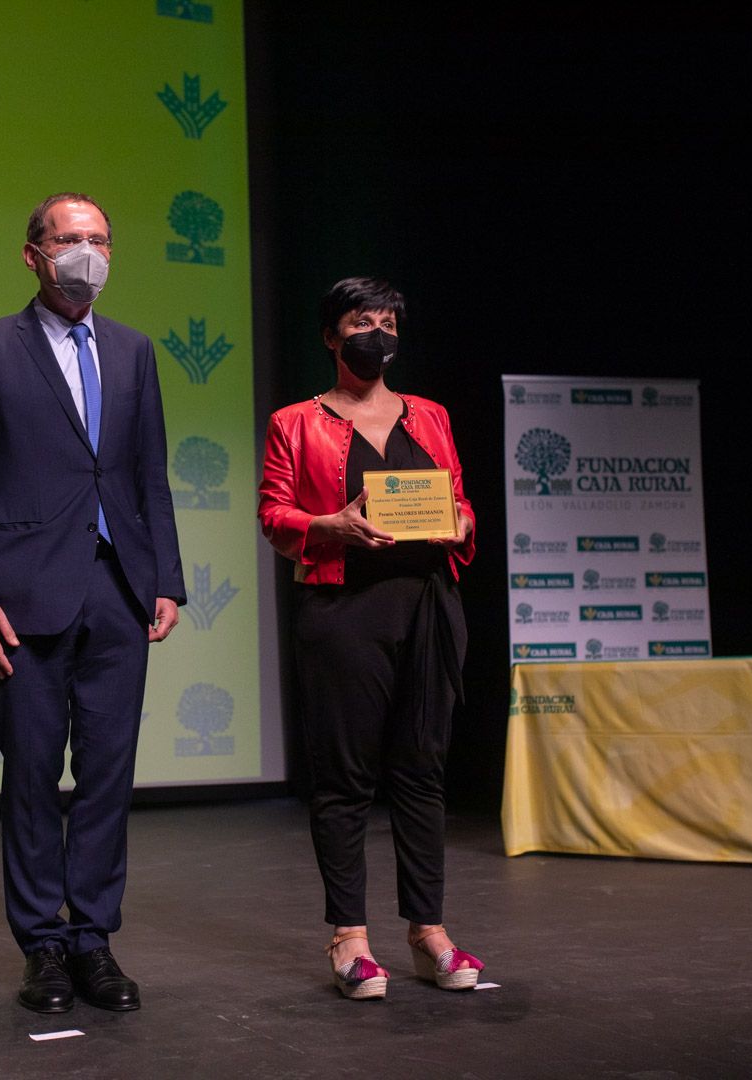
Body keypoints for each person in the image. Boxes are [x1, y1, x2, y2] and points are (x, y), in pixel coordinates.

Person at [0, 193, 185, 1014]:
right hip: (23, 598)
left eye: (100, 240)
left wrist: (165, 579)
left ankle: (95, 940)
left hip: (119, 591)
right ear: (32, 254)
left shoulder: (135, 350)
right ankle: (42, 944)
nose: (87, 252)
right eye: (70, 239)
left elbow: (150, 475)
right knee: (35, 780)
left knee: (109, 778)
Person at [257, 277, 482, 999]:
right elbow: (274, 517)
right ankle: (349, 939)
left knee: (423, 770)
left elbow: (461, 504)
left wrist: (463, 524)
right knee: (346, 777)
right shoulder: (296, 421)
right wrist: (330, 527)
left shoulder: (433, 415)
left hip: (428, 602)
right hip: (344, 610)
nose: (376, 333)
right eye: (362, 321)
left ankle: (429, 932)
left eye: (387, 322)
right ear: (331, 336)